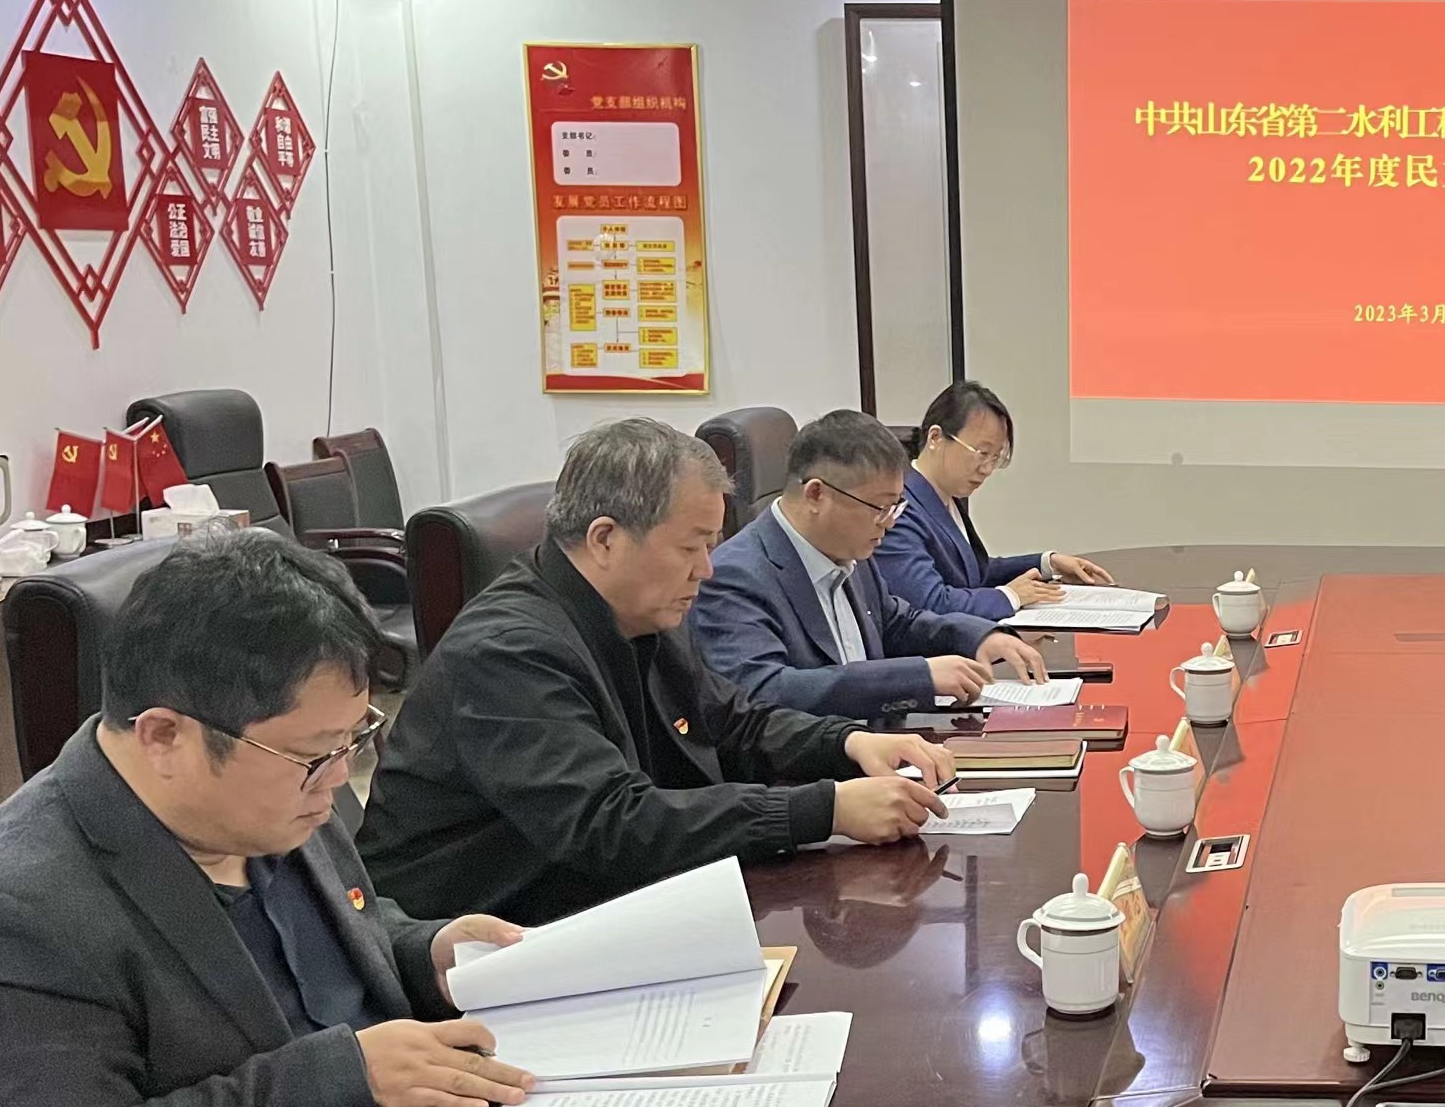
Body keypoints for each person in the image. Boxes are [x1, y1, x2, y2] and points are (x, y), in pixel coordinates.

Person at [0, 533, 535, 1107]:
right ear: (164, 736)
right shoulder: (4, 915)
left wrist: (428, 953)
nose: (340, 775)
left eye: (354, 738)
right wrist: (346, 1073)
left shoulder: (272, 786)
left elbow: (334, 943)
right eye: (318, 754)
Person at [358, 418, 958, 925]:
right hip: (480, 948)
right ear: (605, 540)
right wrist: (823, 809)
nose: (707, 569)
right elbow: (611, 824)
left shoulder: (642, 611)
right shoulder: (507, 652)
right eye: (691, 547)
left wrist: (848, 744)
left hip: (601, 910)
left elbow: (733, 721)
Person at [692, 409, 1050, 719]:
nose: (889, 523)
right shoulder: (734, 576)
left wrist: (979, 637)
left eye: (895, 507)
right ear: (816, 494)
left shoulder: (849, 549)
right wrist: (917, 676)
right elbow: (764, 691)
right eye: (879, 508)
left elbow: (895, 622)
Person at [873, 380, 1113, 621]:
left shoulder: (945, 495)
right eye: (982, 453)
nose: (987, 469)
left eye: (996, 458)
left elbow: (973, 573)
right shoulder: (898, 507)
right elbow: (930, 601)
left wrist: (1047, 564)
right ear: (936, 438)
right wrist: (1010, 596)